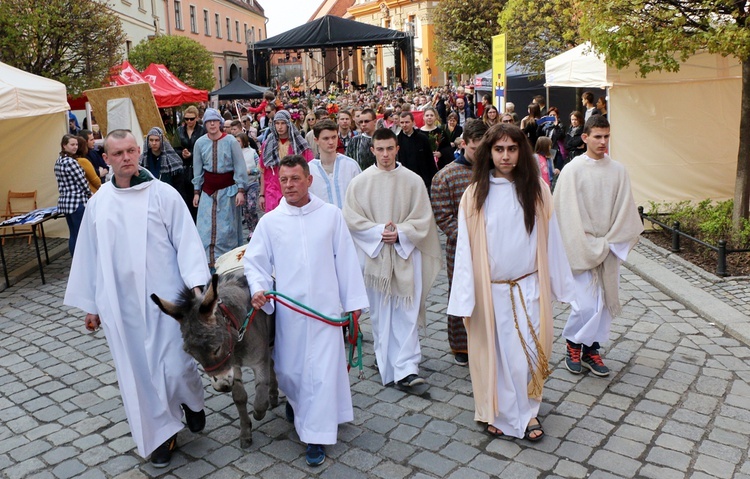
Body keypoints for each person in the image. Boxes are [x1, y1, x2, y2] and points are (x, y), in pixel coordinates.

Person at [64, 129, 209, 468]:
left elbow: (187, 242)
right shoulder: (99, 204)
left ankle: (192, 401)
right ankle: (160, 435)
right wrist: (92, 306)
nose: (125, 158)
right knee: (139, 374)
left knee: (175, 367)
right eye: (118, 154)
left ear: (139, 151)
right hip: (122, 307)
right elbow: (89, 255)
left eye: (130, 150)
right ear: (108, 158)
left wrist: (197, 289)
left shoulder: (164, 195)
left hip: (166, 303)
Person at [447, 123, 575, 441]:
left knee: (526, 352)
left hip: (527, 287)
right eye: (499, 149)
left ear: (522, 152)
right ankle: (502, 412)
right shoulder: (475, 195)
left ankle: (528, 412)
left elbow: (552, 239)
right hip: (491, 291)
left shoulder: (536, 190)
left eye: (512, 149)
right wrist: (465, 296)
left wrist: (560, 285)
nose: (506, 156)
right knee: (498, 357)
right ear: (489, 153)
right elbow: (465, 249)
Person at [244, 155, 368, 467]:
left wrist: (353, 305)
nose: (289, 185)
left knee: (323, 374)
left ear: (308, 180)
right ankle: (298, 403)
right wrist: (259, 289)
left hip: (325, 313)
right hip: (291, 314)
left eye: (295, 179)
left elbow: (346, 261)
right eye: (283, 180)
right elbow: (255, 261)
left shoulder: (330, 216)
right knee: (290, 371)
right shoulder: (270, 222)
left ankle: (315, 436)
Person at [343, 128, 441, 389]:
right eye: (380, 149)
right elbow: (351, 219)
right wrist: (378, 232)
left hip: (406, 255)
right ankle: (386, 361)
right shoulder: (360, 183)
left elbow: (423, 217)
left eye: (390, 148)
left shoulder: (413, 181)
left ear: (397, 148)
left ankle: (407, 367)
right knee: (380, 313)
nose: (385, 154)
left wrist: (401, 233)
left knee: (406, 312)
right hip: (375, 260)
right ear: (372, 150)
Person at [554, 115, 644, 377]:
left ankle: (591, 349)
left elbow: (625, 209)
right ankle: (573, 343)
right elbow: (564, 212)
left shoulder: (618, 170)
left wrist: (610, 240)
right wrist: (582, 242)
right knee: (584, 304)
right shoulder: (572, 170)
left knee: (603, 303)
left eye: (606, 136)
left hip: (608, 245)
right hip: (579, 245)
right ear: (585, 138)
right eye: (597, 136)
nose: (603, 141)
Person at [430, 119, 487, 367]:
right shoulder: (445, 176)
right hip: (461, 248)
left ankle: (487, 340)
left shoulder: (495, 173)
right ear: (464, 144)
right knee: (461, 293)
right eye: (476, 149)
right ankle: (461, 345)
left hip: (494, 248)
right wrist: (468, 238)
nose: (481, 155)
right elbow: (443, 217)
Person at [192, 108, 249, 270]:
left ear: (220, 123)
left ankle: (227, 264)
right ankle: (206, 265)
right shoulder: (200, 143)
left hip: (228, 191)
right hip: (208, 191)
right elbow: (198, 169)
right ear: (205, 123)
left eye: (215, 121)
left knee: (227, 229)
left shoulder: (231, 141)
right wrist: (197, 191)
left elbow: (240, 166)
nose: (212, 124)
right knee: (205, 228)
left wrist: (240, 190)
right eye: (209, 121)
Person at [259, 110, 314, 212]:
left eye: (283, 123)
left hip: (294, 188)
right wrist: (262, 194)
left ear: (288, 124)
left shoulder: (300, 144)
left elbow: (310, 168)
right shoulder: (267, 145)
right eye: (277, 123)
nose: (280, 127)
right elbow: (263, 171)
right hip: (272, 190)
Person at [309, 120, 361, 208]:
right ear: (316, 140)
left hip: (348, 220)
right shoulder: (309, 170)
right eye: (326, 138)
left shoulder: (351, 165)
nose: (331, 142)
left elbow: (362, 195)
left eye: (334, 137)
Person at [54, 134, 91, 255]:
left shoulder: (59, 161)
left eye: (76, 144)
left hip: (65, 202)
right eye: (72, 144)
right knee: (81, 234)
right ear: (64, 146)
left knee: (73, 233)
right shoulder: (71, 162)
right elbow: (82, 182)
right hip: (77, 202)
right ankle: (81, 259)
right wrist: (90, 194)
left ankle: (75, 258)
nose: (75, 147)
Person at [176, 105, 206, 221]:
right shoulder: (179, 131)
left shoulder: (202, 131)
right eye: (186, 119)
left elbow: (204, 148)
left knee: (198, 199)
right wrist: (182, 153)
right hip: (183, 169)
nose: (189, 121)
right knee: (185, 199)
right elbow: (174, 148)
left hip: (198, 168)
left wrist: (192, 154)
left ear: (197, 118)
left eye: (191, 119)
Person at [398, 112, 438, 192]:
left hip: (423, 180)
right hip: (405, 181)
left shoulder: (422, 138)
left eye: (407, 122)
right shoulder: (397, 140)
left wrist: (433, 179)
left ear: (413, 122)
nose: (404, 125)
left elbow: (429, 160)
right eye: (402, 122)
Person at [236, 132, 261, 239]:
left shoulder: (252, 152)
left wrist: (250, 171)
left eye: (238, 141)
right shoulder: (234, 154)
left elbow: (259, 167)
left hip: (252, 183)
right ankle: (250, 229)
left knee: (251, 206)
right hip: (240, 184)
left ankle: (256, 227)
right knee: (245, 209)